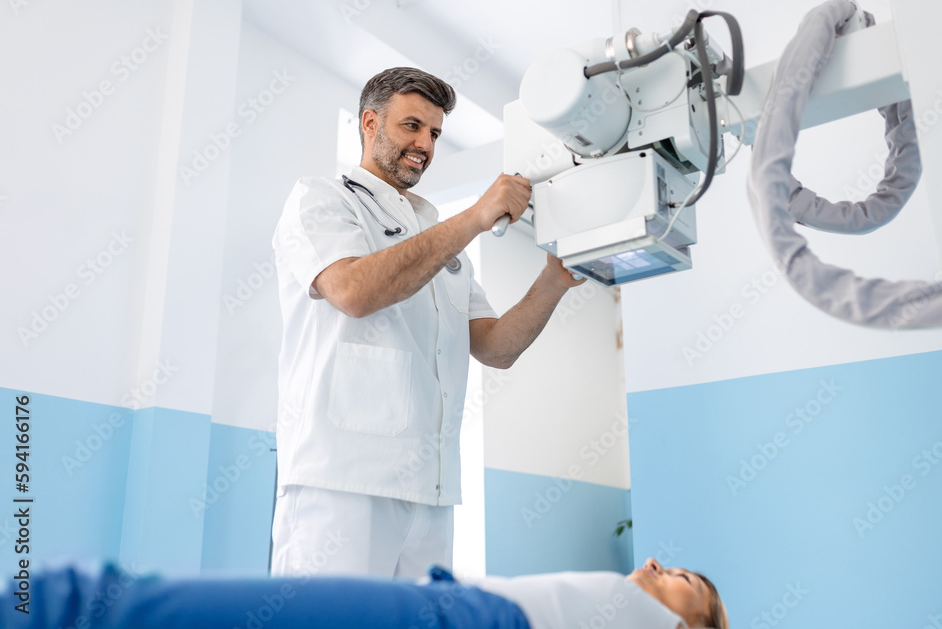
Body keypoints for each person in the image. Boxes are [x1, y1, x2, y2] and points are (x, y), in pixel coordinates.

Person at [271, 67, 584, 579]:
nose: (425, 144)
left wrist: (555, 279)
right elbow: (352, 291)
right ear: (370, 123)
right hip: (343, 479)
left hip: (432, 491)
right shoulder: (322, 199)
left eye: (434, 133)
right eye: (411, 126)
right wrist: (474, 218)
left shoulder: (441, 245)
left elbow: (496, 347)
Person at [1, 559, 728, 629]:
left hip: (461, 619)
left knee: (95, 605)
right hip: (449, 605)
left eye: (683, 580)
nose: (659, 561)